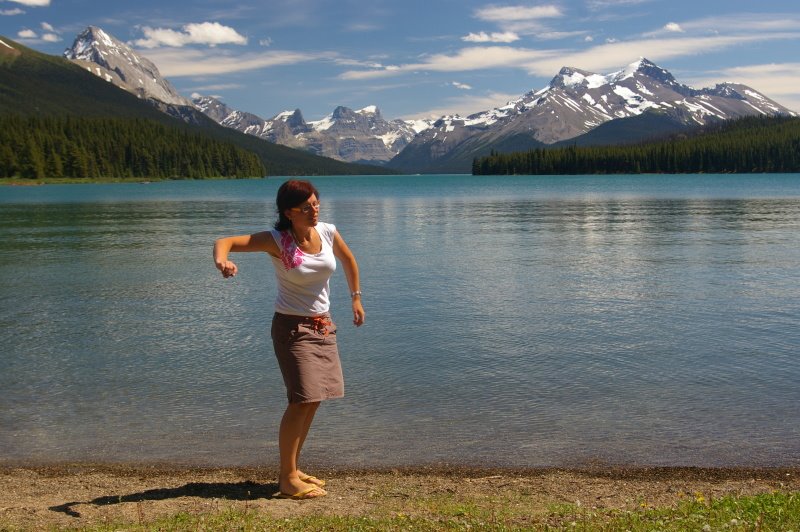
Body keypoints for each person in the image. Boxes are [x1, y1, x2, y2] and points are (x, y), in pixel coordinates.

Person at [213, 179, 365, 500]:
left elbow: (349, 260)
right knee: (300, 400)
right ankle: (287, 478)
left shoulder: (326, 230)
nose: (314, 210)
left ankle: (293, 469)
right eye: (306, 207)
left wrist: (355, 298)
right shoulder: (277, 241)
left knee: (314, 399)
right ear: (288, 212)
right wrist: (222, 262)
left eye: (316, 203)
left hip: (323, 327)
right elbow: (225, 241)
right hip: (292, 330)